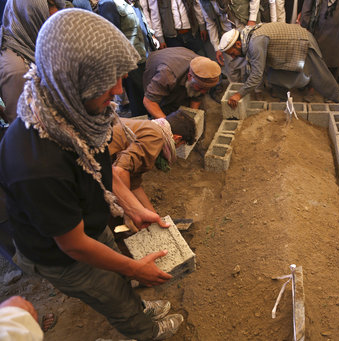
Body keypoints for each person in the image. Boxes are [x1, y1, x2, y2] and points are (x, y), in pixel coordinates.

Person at [0, 9, 183, 340]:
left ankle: (138, 307)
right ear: (72, 79)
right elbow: (75, 246)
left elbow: (100, 172)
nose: (117, 91)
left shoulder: (77, 114)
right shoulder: (37, 164)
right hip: (64, 256)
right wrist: (135, 268)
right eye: (105, 82)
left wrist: (131, 207)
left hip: (87, 227)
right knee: (111, 293)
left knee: (117, 278)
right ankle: (145, 330)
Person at [219, 22, 339, 108]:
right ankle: (282, 98)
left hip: (302, 41)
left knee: (320, 76)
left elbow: (257, 74)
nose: (234, 57)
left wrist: (239, 94)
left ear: (238, 44)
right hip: (287, 48)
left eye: (233, 53)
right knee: (276, 74)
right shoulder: (248, 35)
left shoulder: (255, 43)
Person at [109, 111, 196, 215]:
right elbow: (120, 171)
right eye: (181, 144)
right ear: (177, 138)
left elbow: (133, 184)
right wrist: (128, 212)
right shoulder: (156, 137)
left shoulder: (149, 128)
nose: (178, 148)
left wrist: (154, 215)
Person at [0, 0, 62, 124]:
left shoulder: (20, 40)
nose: (56, 31)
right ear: (31, 20)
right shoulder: (18, 70)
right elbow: (24, 126)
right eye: (48, 23)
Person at [98, 0, 155, 117]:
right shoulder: (109, 4)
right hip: (131, 63)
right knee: (139, 105)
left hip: (145, 58)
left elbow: (141, 27)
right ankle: (144, 131)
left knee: (149, 99)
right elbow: (112, 37)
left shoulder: (133, 2)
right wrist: (121, 67)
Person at [143, 47, 221, 118]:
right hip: (157, 64)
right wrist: (168, 124)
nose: (204, 92)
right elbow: (149, 101)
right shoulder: (167, 75)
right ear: (190, 76)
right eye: (201, 88)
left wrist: (192, 115)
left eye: (207, 89)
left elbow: (198, 96)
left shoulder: (202, 66)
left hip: (180, 63)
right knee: (167, 109)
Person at [299, 0, 339, 83]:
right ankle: (311, 85)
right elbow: (307, 5)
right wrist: (305, 25)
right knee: (314, 57)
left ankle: (330, 87)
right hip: (317, 25)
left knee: (335, 59)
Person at [141, 0, 207, 54]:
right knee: (180, 66)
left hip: (192, 34)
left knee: (200, 61)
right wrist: (160, 39)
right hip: (173, 39)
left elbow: (196, 5)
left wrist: (202, 26)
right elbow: (155, 16)